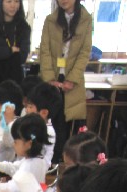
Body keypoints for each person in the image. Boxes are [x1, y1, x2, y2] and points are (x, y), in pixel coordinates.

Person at [39, 0, 92, 163]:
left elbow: (85, 52)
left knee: (71, 131)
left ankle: (68, 166)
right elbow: (44, 51)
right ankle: (51, 164)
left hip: (73, 84)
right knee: (52, 128)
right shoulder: (50, 20)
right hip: (53, 82)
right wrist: (49, 79)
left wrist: (72, 79)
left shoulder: (86, 19)